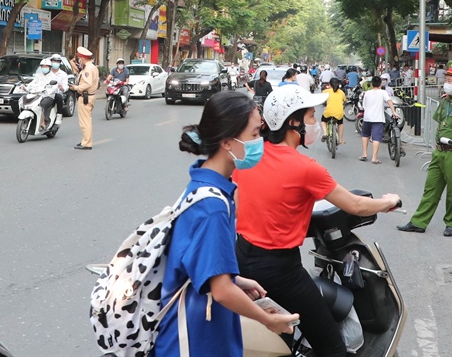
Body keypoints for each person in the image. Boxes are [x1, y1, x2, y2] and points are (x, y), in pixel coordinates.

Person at [233, 85, 401, 357]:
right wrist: (389, 201)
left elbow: (244, 203)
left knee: (289, 333)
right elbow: (356, 205)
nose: (315, 122)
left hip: (241, 257)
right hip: (280, 270)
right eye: (311, 116)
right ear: (293, 122)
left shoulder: (250, 156)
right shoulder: (305, 168)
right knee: (332, 347)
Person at [154, 92, 298, 357]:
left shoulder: (207, 185)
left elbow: (198, 263)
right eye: (255, 134)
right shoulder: (213, 207)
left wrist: (234, 278)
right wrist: (268, 320)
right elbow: (221, 292)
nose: (260, 142)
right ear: (227, 142)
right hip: (195, 342)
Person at [397, 61, 452, 236]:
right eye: (446, 80)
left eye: (450, 81)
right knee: (431, 187)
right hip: (439, 151)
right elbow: (440, 123)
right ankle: (418, 222)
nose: (447, 83)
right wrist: (435, 144)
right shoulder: (444, 100)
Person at [359, 76, 399, 164]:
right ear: (380, 84)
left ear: (371, 84)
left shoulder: (367, 93)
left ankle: (364, 154)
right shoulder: (383, 92)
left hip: (367, 117)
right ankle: (374, 158)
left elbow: (364, 105)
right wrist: (394, 112)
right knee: (376, 138)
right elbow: (389, 101)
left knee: (365, 135)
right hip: (378, 118)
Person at [68, 46, 99, 150]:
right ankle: (85, 141)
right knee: (86, 121)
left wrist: (76, 87)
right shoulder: (93, 67)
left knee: (85, 122)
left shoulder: (88, 69)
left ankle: (86, 143)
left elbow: (87, 83)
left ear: (83, 58)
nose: (79, 60)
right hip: (90, 96)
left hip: (85, 96)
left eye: (80, 58)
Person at [22, 58, 57, 130]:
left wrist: (46, 90)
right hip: (37, 95)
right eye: (43, 66)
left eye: (46, 66)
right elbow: (32, 83)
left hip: (48, 96)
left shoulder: (53, 77)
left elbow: (54, 87)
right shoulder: (38, 76)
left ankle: (43, 122)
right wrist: (25, 88)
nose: (44, 68)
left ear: (50, 67)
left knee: (41, 104)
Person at [320, 77, 346, 145]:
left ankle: (325, 133)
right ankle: (340, 140)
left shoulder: (326, 91)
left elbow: (321, 99)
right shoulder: (341, 92)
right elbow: (345, 101)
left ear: (330, 85)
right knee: (340, 123)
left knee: (323, 121)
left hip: (328, 112)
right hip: (339, 113)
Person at [49, 54, 69, 125]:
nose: (55, 63)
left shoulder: (63, 74)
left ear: (60, 63)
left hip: (57, 94)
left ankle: (59, 115)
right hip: (46, 93)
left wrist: (62, 88)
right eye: (54, 61)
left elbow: (66, 86)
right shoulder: (47, 73)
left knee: (59, 97)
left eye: (57, 62)